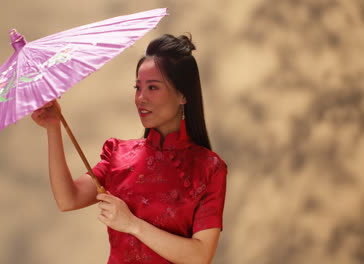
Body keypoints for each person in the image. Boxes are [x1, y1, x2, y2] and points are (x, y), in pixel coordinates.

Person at [32, 34, 227, 264]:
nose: (140, 98)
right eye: (138, 87)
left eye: (152, 87)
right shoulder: (119, 155)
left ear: (183, 94)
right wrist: (54, 128)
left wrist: (131, 224)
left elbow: (200, 256)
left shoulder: (208, 168)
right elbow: (69, 199)